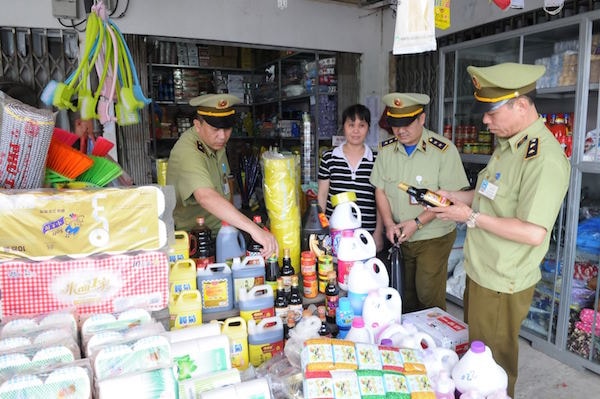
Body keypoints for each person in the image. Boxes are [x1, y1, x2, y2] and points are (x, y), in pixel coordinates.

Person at [428, 62, 570, 397]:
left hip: (503, 280)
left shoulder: (542, 158)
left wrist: (469, 218)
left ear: (521, 104)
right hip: (481, 270)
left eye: (492, 112)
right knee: (476, 359)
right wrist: (453, 198)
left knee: (494, 372)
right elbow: (488, 196)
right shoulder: (509, 147)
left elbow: (534, 232)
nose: (485, 120)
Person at [369, 93, 469, 312]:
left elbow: (447, 199)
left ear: (421, 119)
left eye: (407, 123)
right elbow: (380, 190)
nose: (400, 130)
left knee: (427, 294)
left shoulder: (443, 150)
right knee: (403, 296)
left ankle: (434, 342)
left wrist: (416, 222)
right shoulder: (386, 150)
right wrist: (388, 225)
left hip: (433, 235)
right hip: (400, 236)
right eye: (395, 124)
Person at [166, 93, 278, 259]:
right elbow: (205, 197)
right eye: (215, 129)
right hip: (196, 244)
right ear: (197, 125)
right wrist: (254, 230)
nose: (222, 136)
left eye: (227, 129)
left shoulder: (216, 144)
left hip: (222, 234)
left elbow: (226, 185)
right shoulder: (189, 152)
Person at [317, 103, 383, 251]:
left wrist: (378, 232)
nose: (356, 131)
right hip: (336, 232)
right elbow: (322, 195)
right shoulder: (329, 158)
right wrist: (323, 227)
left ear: (368, 128)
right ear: (343, 127)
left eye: (362, 125)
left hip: (366, 233)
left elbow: (381, 199)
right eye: (351, 125)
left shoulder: (377, 160)